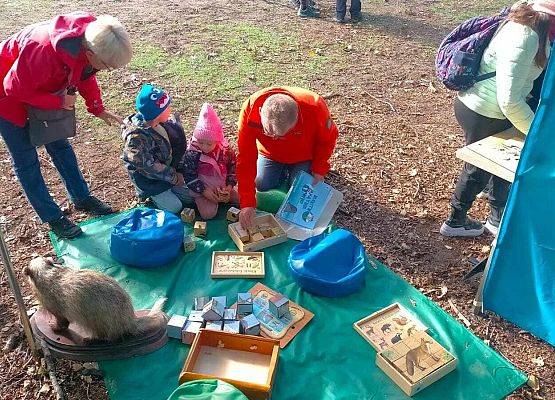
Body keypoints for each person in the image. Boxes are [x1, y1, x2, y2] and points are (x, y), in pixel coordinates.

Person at [0, 12, 132, 239]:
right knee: (26, 160)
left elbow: (86, 73)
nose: (106, 71)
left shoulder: (90, 39)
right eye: (107, 66)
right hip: (7, 95)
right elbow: (13, 87)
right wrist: (59, 101)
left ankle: (81, 197)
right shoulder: (41, 49)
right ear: (90, 52)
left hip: (45, 89)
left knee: (59, 146)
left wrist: (96, 107)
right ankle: (52, 217)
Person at [440, 0, 555, 238]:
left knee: (499, 165)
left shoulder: (531, 27)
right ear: (547, 19)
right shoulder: (525, 38)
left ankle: (496, 215)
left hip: (494, 111)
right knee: (477, 169)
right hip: (482, 111)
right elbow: (509, 100)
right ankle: (455, 221)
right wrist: (535, 132)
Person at [236, 86, 339, 228]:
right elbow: (245, 158)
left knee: (300, 192)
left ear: (297, 119)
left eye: (281, 136)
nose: (275, 139)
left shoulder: (315, 107)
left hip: (303, 155)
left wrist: (319, 168)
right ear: (260, 113)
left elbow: (327, 140)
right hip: (269, 154)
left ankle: (291, 173)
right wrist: (247, 203)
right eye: (268, 133)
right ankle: (283, 171)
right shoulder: (249, 108)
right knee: (261, 184)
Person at [121, 84, 190, 214]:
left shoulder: (165, 125)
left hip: (168, 175)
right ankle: (150, 199)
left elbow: (179, 150)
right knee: (175, 207)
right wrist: (174, 177)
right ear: (157, 113)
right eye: (166, 107)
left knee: (191, 197)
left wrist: (180, 171)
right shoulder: (136, 139)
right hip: (150, 182)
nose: (170, 109)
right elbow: (148, 167)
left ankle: (169, 192)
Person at [182, 103, 239, 220]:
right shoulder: (193, 153)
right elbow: (189, 176)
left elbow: (233, 167)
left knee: (241, 200)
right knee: (208, 214)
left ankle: (225, 197)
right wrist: (204, 191)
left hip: (223, 188)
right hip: (204, 189)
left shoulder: (225, 150)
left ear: (217, 141)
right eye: (201, 142)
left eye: (209, 144)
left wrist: (229, 187)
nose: (205, 147)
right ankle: (202, 201)